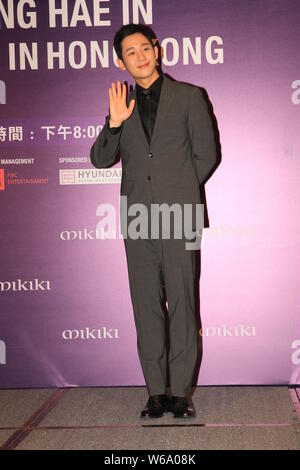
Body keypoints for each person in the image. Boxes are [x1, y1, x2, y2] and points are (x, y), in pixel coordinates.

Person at [90, 23, 217, 418]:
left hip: (179, 215)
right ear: (120, 60)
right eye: (130, 52)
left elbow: (207, 155)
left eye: (145, 48)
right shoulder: (120, 104)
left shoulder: (190, 96)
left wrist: (175, 192)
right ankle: (155, 393)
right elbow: (99, 158)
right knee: (146, 307)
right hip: (137, 219)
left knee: (183, 303)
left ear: (156, 51)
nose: (140, 56)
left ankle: (180, 393)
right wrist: (113, 122)